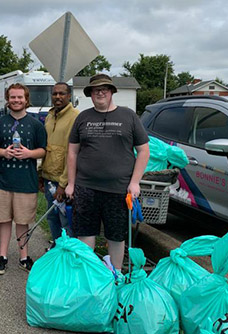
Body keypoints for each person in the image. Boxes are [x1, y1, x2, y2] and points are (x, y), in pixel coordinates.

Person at [65, 73, 150, 276]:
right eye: (96, 90)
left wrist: (135, 182)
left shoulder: (129, 116)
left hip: (119, 189)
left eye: (104, 88)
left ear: (112, 91)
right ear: (91, 94)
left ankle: (116, 275)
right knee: (85, 234)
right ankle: (88, 275)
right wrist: (71, 183)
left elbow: (144, 150)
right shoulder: (83, 118)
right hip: (86, 187)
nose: (100, 92)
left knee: (116, 236)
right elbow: (72, 152)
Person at [0, 83, 47, 274]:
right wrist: (3, 152)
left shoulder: (36, 125)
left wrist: (29, 153)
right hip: (2, 180)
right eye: (12, 97)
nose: (16, 100)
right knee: (4, 220)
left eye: (20, 97)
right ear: (7, 99)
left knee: (23, 221)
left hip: (26, 181)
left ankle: (23, 257)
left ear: (26, 99)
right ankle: (2, 256)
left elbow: (43, 150)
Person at [38, 82, 79, 245]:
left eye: (62, 94)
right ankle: (56, 250)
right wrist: (40, 173)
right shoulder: (49, 116)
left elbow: (73, 153)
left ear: (69, 96)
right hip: (49, 178)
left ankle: (67, 253)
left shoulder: (75, 116)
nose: (58, 97)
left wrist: (63, 184)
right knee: (52, 217)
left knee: (65, 220)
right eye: (55, 94)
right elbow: (46, 147)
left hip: (64, 180)